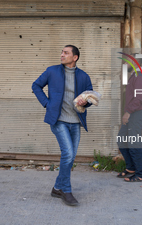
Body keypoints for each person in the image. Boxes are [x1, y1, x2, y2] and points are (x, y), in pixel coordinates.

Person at [32, 45, 93, 206]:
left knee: (70, 156)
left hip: (76, 122)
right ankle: (66, 190)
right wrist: (47, 103)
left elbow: (91, 96)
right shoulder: (52, 71)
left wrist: (86, 102)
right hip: (58, 120)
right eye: (62, 52)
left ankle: (57, 188)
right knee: (68, 154)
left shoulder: (84, 76)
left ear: (75, 58)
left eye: (66, 53)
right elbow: (36, 86)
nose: (62, 55)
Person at [117, 55, 142, 182]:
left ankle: (140, 174)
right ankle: (131, 168)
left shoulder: (139, 76)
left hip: (137, 113)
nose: (124, 65)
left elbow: (140, 98)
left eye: (126, 62)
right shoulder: (134, 76)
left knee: (133, 143)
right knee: (121, 139)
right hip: (132, 113)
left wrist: (128, 112)